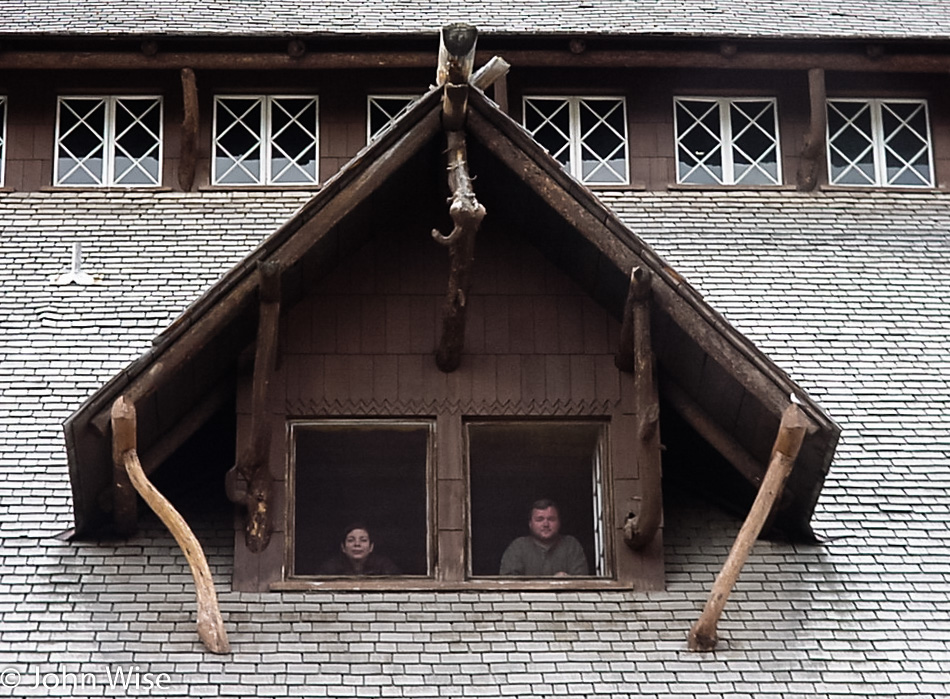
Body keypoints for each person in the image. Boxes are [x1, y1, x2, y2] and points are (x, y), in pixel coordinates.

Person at [499, 499, 589, 576]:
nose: (546, 524)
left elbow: (583, 581)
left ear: (559, 522)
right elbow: (507, 583)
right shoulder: (518, 547)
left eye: (551, 519)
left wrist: (567, 581)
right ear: (530, 524)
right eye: (540, 519)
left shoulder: (571, 546)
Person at [317, 523, 400, 576]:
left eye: (363, 540)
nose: (357, 544)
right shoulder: (330, 569)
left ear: (371, 547)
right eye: (351, 540)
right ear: (343, 547)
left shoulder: (385, 567)